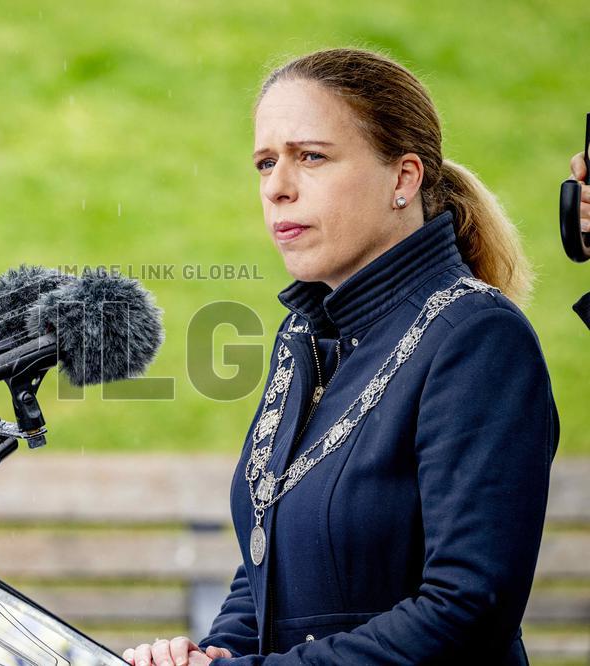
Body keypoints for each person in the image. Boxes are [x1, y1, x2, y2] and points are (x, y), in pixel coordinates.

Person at [123, 48, 560, 665]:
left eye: (312, 157)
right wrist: (214, 654)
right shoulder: (302, 337)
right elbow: (268, 565)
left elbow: (467, 607)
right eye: (265, 162)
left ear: (403, 179)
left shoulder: (477, 336)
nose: (277, 187)